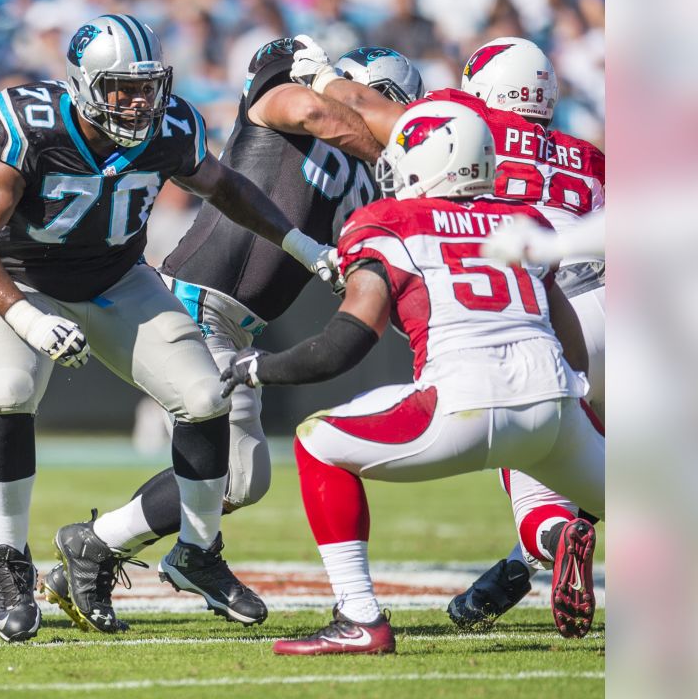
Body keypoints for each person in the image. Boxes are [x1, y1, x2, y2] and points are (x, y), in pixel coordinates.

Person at [0, 15, 337, 643]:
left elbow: (226, 189)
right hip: (23, 281)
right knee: (11, 390)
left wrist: (301, 243)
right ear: (84, 84)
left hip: (116, 279)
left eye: (147, 86)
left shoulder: (171, 127)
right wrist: (22, 312)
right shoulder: (33, 125)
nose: (139, 101)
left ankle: (199, 553)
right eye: (122, 87)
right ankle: (10, 561)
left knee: (206, 398)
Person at [38, 42, 424, 631]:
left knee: (241, 478)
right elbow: (314, 112)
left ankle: (110, 545)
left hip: (241, 323)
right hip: (195, 299)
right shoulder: (292, 97)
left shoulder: (372, 179)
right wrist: (389, 150)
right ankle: (127, 547)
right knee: (237, 473)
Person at [222, 102, 605, 653]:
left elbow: (341, 347)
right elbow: (570, 339)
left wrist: (257, 366)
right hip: (554, 406)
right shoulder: (526, 221)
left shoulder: (387, 223)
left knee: (317, 443)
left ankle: (360, 618)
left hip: (460, 407)